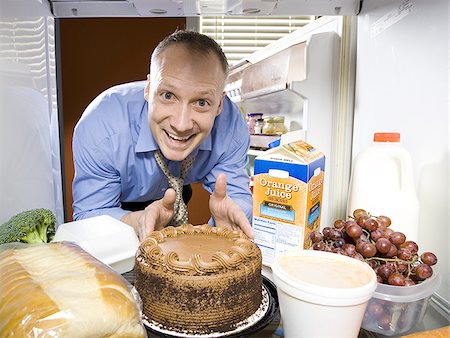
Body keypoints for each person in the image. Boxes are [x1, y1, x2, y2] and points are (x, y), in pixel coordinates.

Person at [72, 30, 253, 240]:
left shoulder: (231, 127)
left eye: (201, 102)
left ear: (220, 104)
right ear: (149, 89)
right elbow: (90, 214)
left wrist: (226, 226)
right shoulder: (102, 127)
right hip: (122, 203)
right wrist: (136, 222)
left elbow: (233, 198)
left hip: (177, 189)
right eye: (168, 96)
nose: (181, 124)